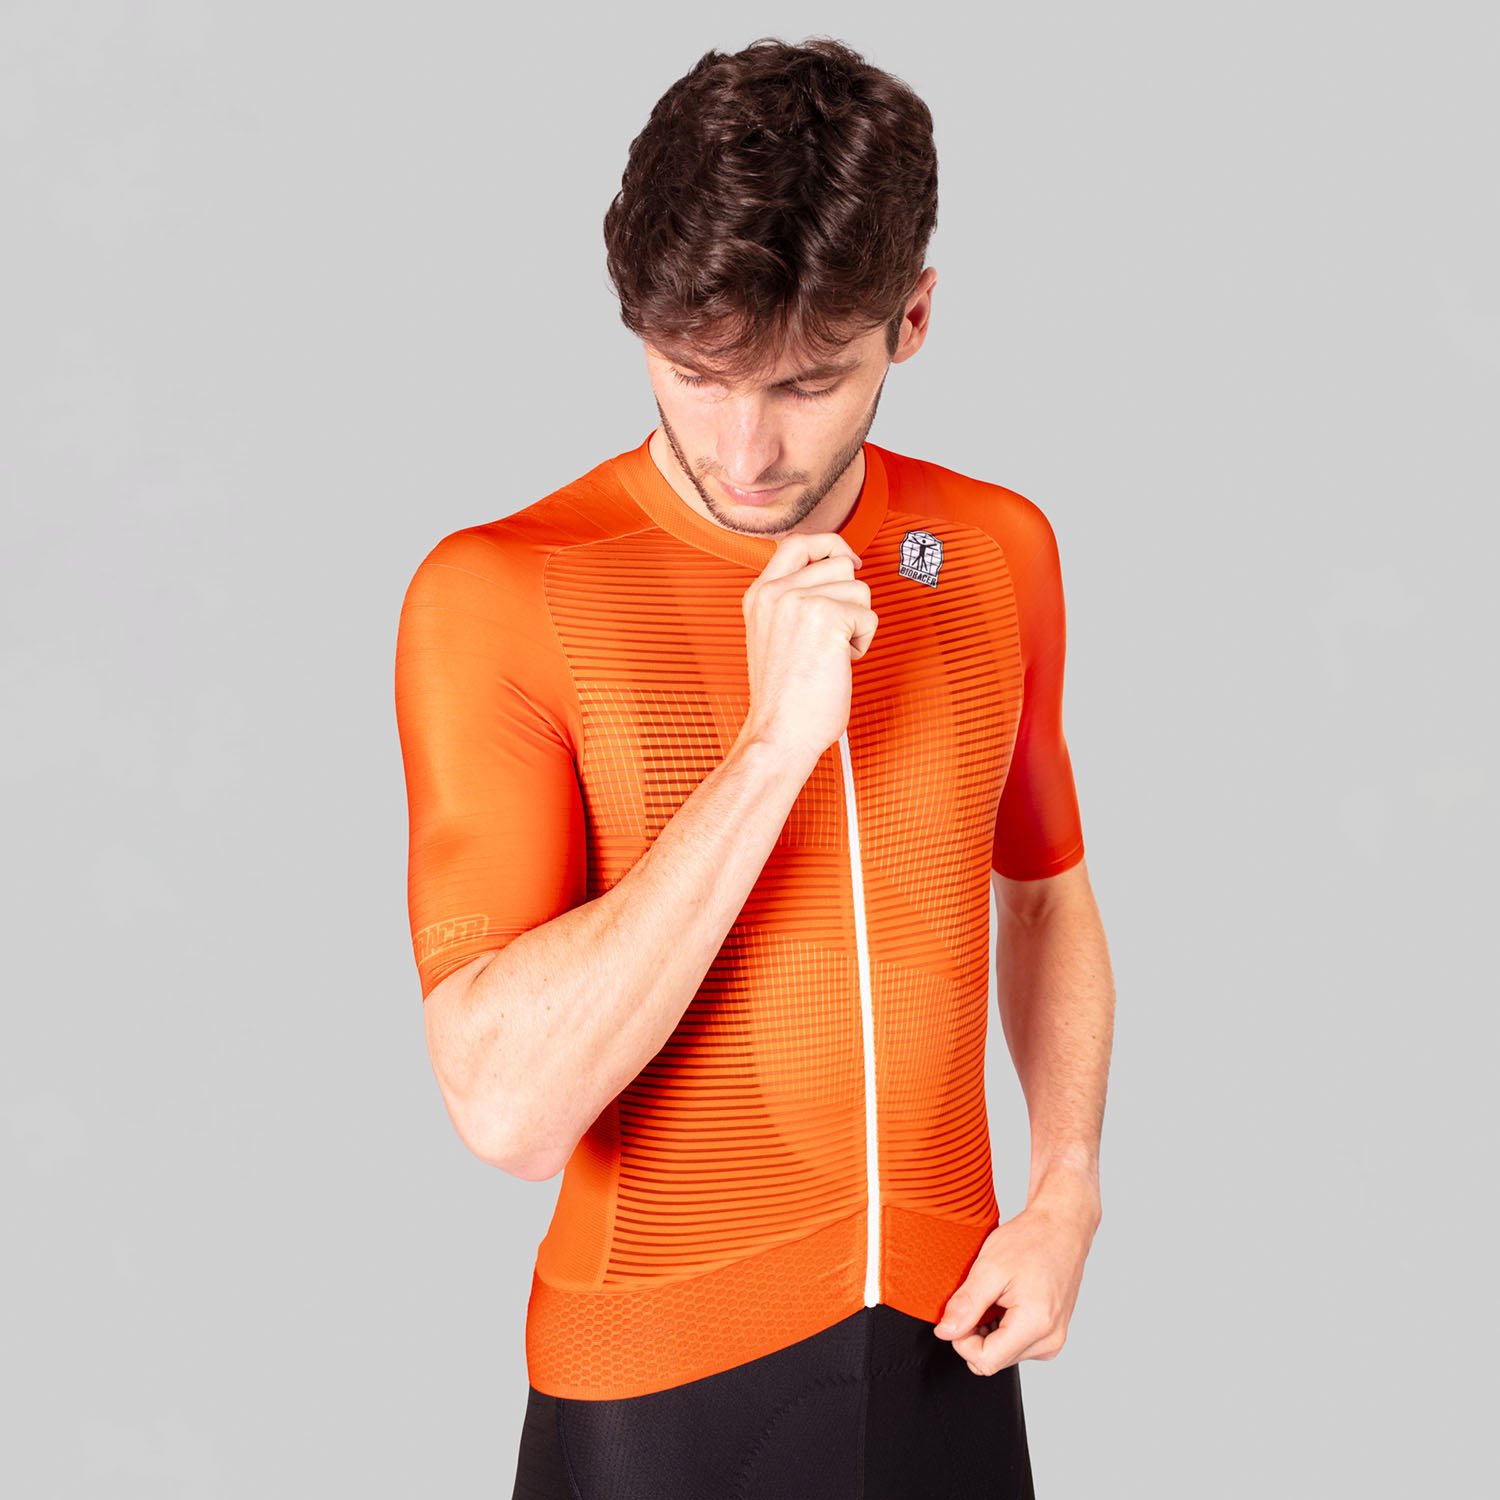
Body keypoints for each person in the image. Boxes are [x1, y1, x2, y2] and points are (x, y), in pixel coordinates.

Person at [394, 34, 1115, 1500]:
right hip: (658, 1397)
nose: (744, 451)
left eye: (807, 383)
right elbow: (506, 1108)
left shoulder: (992, 551)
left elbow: (1045, 898)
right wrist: (774, 746)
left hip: (948, 1364)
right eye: (696, 375)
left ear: (912, 319)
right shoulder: (506, 593)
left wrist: (1066, 1191)